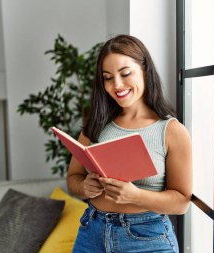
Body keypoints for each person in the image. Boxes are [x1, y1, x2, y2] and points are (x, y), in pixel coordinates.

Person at [67, 34, 192, 253]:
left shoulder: (172, 131)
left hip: (146, 238)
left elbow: (181, 202)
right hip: (92, 231)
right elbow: (73, 179)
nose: (117, 85)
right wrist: (84, 187)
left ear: (145, 71)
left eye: (125, 74)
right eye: (107, 77)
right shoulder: (97, 123)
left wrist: (135, 195)